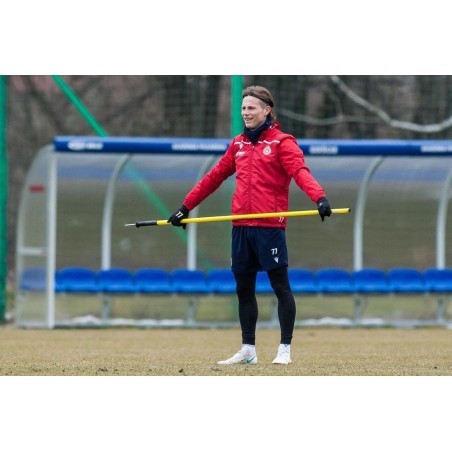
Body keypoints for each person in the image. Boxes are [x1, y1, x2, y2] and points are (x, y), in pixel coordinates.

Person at [168, 85, 331, 365]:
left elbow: (299, 172)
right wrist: (185, 207)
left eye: (251, 108)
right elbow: (213, 178)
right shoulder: (238, 144)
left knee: (281, 288)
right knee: (243, 290)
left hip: (269, 228)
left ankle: (284, 349)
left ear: (266, 110)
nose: (246, 112)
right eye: (243, 108)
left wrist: (319, 197)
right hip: (241, 227)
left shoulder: (282, 142)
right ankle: (248, 350)